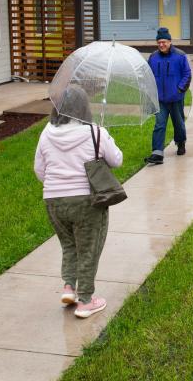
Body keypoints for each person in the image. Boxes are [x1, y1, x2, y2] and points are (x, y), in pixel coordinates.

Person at [34, 85, 123, 319]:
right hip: (87, 201)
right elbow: (117, 160)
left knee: (70, 245)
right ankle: (86, 300)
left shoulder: (46, 132)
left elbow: (39, 170)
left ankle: (68, 288)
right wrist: (105, 135)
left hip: (53, 200)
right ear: (84, 107)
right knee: (89, 249)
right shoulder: (95, 132)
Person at [146, 27, 191, 165]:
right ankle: (157, 153)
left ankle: (181, 142)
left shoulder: (180, 56)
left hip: (176, 98)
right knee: (159, 125)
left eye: (164, 42)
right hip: (160, 100)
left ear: (170, 42)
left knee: (178, 124)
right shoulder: (153, 58)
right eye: (159, 42)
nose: (161, 45)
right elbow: (148, 76)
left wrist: (180, 89)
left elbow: (187, 74)